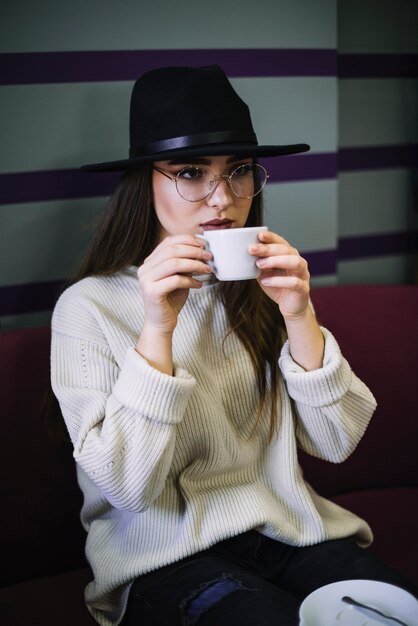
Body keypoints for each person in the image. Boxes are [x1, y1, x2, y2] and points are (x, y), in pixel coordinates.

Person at [50, 65, 415, 626]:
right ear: (143, 183)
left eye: (239, 170)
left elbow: (337, 442)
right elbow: (125, 488)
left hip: (289, 530)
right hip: (162, 557)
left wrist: (300, 315)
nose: (223, 198)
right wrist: (157, 327)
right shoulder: (89, 306)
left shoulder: (260, 291)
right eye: (191, 172)